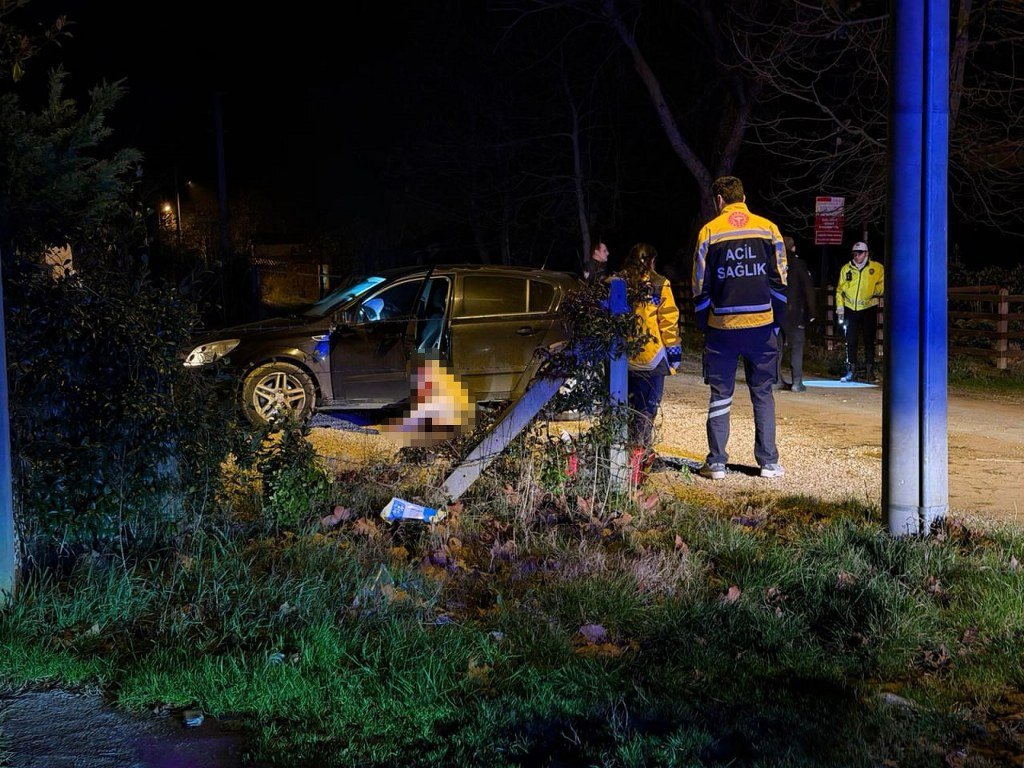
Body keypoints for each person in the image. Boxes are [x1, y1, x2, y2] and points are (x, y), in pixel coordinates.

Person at [691, 176, 787, 480]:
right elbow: (779, 278)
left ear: (720, 200)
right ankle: (768, 462)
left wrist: (704, 322)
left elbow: (699, 283)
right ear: (743, 197)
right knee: (762, 392)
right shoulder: (768, 228)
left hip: (723, 326)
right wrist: (776, 322)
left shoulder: (709, 232)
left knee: (721, 394)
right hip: (761, 325)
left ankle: (717, 462)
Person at [619, 243, 681, 480]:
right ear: (652, 261)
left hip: (624, 358)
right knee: (646, 410)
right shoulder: (659, 284)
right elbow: (668, 322)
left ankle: (620, 454)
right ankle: (640, 458)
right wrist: (674, 356)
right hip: (651, 357)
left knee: (624, 407)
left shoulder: (617, 283)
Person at [835, 241, 884, 382]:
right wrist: (840, 308)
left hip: (868, 308)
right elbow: (839, 290)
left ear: (867, 254)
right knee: (851, 340)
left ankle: (869, 371)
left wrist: (875, 292)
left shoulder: (877, 268)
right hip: (851, 309)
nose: (857, 256)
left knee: (869, 340)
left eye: (860, 253)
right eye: (855, 254)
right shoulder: (846, 269)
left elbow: (883, 284)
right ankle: (851, 370)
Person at [776, 236, 816, 392]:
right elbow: (808, 290)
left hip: (776, 313)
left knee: (776, 348)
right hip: (794, 313)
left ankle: (776, 380)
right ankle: (796, 382)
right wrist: (811, 313)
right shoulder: (799, 264)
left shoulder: (773, 264)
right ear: (793, 248)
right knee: (797, 347)